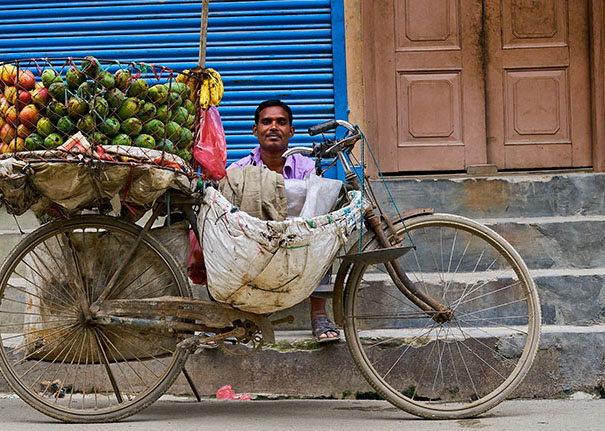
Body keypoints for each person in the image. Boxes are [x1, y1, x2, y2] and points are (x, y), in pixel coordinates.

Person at [229, 99, 340, 343]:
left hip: (297, 243)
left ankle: (319, 313)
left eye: (281, 122)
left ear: (291, 131)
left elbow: (315, 210)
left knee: (326, 231)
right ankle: (237, 317)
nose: (273, 127)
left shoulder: (308, 168)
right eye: (266, 122)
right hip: (256, 245)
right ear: (255, 130)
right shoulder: (240, 170)